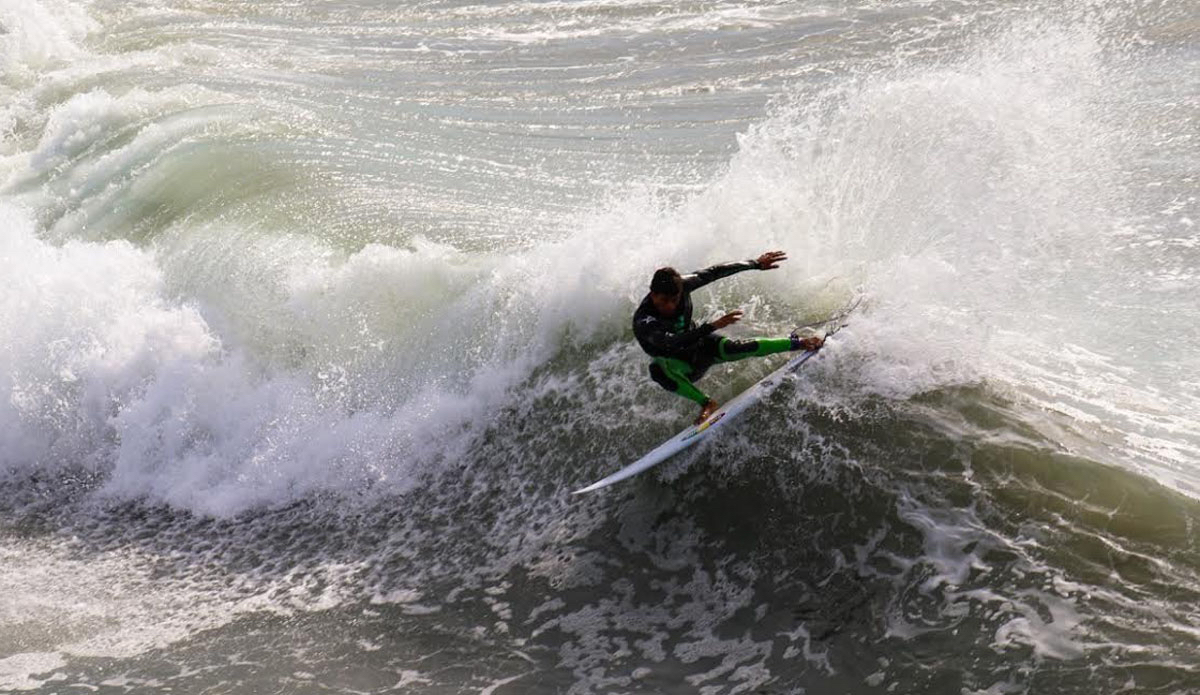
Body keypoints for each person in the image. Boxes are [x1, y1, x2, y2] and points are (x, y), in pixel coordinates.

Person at [632, 250, 824, 424]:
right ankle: (707, 403)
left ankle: (800, 342)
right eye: (663, 301)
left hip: (701, 346)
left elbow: (715, 271)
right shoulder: (644, 321)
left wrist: (755, 263)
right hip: (680, 365)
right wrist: (712, 326)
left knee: (739, 347)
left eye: (674, 300)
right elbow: (670, 342)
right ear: (652, 294)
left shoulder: (684, 285)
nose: (670, 306)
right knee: (657, 370)